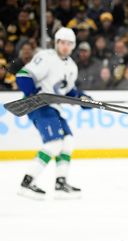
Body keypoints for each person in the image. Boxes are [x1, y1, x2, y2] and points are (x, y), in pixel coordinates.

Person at [16, 27, 86, 199]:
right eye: (62, 42)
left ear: (73, 46)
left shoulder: (72, 67)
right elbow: (23, 75)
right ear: (56, 43)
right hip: (40, 106)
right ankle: (26, 184)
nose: (65, 46)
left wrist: (83, 99)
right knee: (54, 143)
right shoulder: (46, 57)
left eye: (69, 44)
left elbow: (69, 92)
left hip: (55, 108)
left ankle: (60, 184)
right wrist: (31, 94)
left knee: (67, 141)